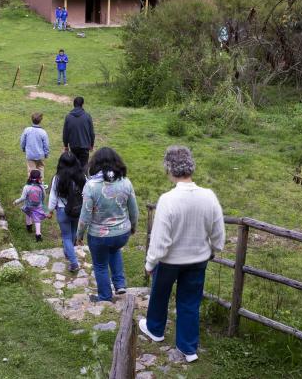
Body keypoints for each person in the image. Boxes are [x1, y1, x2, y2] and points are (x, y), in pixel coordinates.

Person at [140, 146, 225, 364]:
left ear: (169, 169)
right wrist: (214, 248)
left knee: (160, 294)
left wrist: (150, 263)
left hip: (169, 261)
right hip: (198, 259)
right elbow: (218, 233)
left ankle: (155, 329)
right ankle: (188, 348)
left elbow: (159, 240)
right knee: (190, 301)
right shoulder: (209, 196)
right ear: (191, 167)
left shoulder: (168, 199)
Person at [76, 147, 138, 302]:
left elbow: (85, 215)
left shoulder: (91, 186)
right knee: (114, 250)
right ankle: (119, 284)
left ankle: (104, 296)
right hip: (122, 233)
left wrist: (79, 235)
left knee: (100, 265)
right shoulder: (126, 182)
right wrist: (133, 226)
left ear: (95, 164)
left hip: (99, 236)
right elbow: (134, 210)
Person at [46, 152, 86, 273]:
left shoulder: (57, 178)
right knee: (73, 232)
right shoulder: (82, 177)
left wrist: (50, 211)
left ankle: (73, 262)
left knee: (66, 236)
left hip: (63, 210)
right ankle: (69, 252)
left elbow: (53, 196)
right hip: (78, 209)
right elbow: (87, 192)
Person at [13, 169, 47, 242]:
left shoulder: (26, 187)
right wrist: (42, 202)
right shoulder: (41, 186)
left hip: (28, 206)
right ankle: (38, 235)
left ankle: (29, 227)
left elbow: (23, 198)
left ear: (30, 177)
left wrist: (16, 201)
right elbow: (44, 195)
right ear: (40, 178)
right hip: (38, 206)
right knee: (37, 220)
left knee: (28, 214)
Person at [62, 96, 94, 169]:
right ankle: (83, 179)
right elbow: (91, 132)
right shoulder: (87, 116)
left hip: (73, 145)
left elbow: (65, 132)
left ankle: (74, 179)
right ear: (82, 104)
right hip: (85, 146)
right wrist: (91, 144)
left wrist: (66, 145)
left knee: (74, 165)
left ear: (74, 104)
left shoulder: (68, 117)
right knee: (84, 166)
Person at [20, 112, 50, 179]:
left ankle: (31, 186)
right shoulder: (43, 132)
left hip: (30, 155)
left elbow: (22, 141)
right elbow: (46, 145)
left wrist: (23, 148)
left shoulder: (27, 130)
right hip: (40, 155)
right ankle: (40, 186)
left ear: (32, 120)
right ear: (41, 121)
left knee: (31, 171)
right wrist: (46, 154)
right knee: (40, 170)